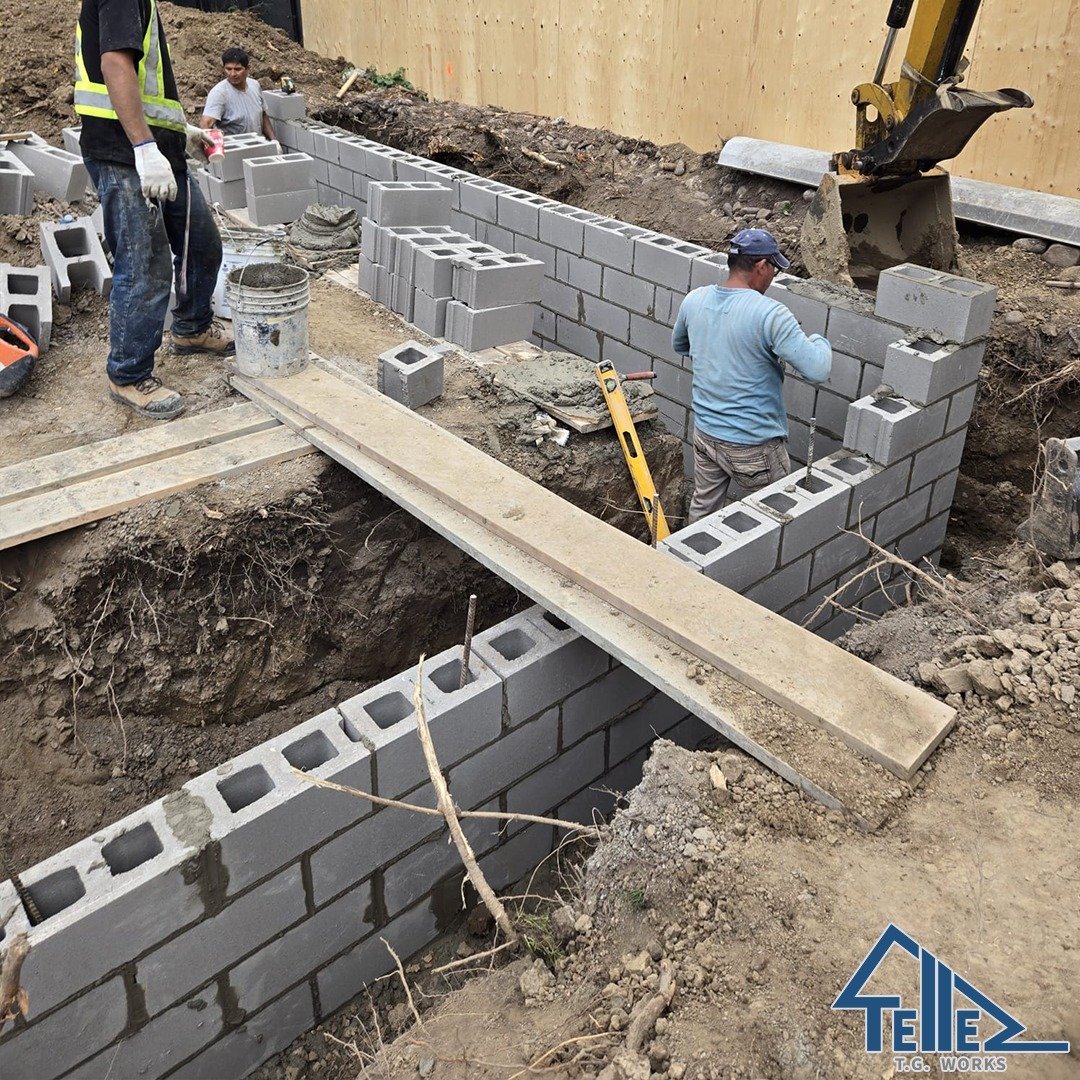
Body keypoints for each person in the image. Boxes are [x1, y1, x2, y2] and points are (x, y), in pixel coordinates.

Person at [76, 0, 234, 421]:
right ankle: (128, 373)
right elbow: (114, 65)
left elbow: (147, 90)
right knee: (146, 264)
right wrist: (144, 147)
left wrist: (181, 132)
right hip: (123, 154)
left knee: (202, 245)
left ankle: (192, 328)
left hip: (160, 152)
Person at [672, 228, 832, 523]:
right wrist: (819, 341)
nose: (773, 278)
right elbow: (817, 369)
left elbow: (680, 345)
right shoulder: (771, 314)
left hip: (707, 434)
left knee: (703, 510)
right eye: (774, 269)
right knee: (776, 520)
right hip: (753, 447)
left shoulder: (695, 299)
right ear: (761, 266)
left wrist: (718, 351)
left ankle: (686, 562)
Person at [201, 48, 275, 140]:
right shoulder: (219, 93)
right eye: (228, 69)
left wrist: (274, 140)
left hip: (258, 145)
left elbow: (263, 115)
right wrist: (215, 149)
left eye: (237, 69)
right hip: (235, 149)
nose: (233, 74)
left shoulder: (254, 86)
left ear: (247, 69)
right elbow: (206, 125)